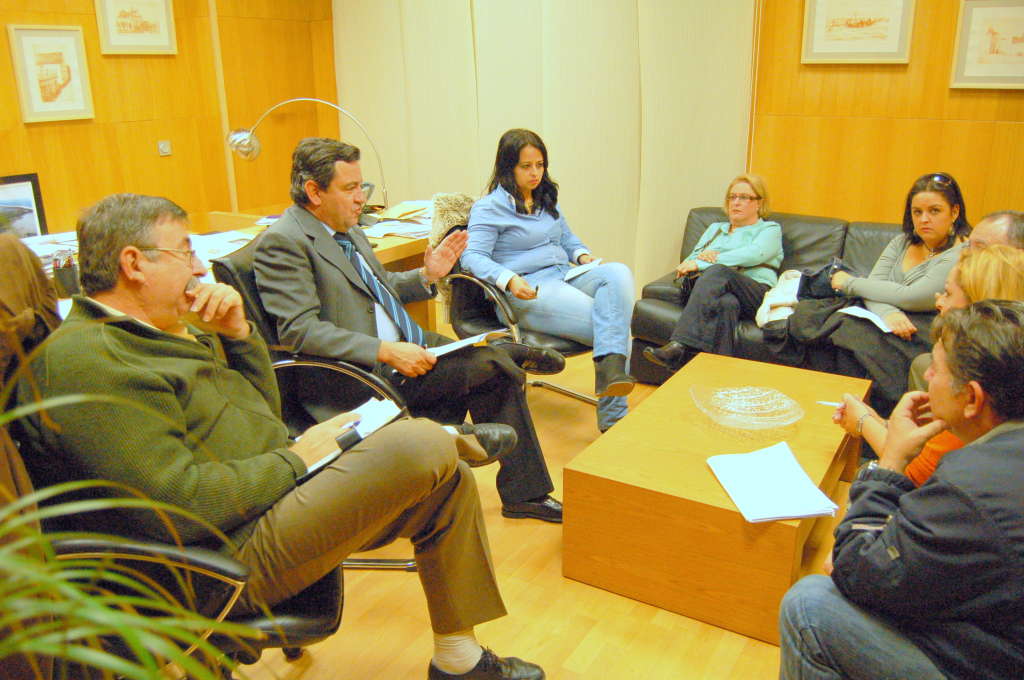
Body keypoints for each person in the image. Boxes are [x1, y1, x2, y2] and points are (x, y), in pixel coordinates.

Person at [15, 193, 545, 680]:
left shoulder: (164, 331)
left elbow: (262, 416)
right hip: (217, 560)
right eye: (185, 252)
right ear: (134, 264)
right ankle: (450, 436)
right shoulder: (89, 361)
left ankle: (459, 661)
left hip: (266, 499)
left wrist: (240, 337)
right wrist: (298, 460)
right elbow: (178, 507)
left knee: (447, 481)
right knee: (417, 444)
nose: (200, 268)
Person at [254, 138, 562, 523]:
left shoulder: (347, 229)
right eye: (350, 188)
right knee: (493, 365)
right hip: (364, 375)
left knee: (496, 370)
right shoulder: (284, 243)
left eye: (362, 186)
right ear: (314, 192)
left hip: (408, 347)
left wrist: (427, 275)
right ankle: (470, 435)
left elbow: (380, 286)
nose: (361, 198)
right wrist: (384, 350)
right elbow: (300, 331)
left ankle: (521, 490)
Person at [779, 300, 1024, 680]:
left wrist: (890, 458)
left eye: (937, 369)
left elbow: (854, 569)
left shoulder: (971, 485)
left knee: (810, 605)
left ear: (973, 398)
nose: (927, 376)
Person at [461, 129, 636, 432]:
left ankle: (610, 374)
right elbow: (472, 257)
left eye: (540, 165)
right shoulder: (489, 207)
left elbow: (567, 239)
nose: (535, 173)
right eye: (526, 166)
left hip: (564, 274)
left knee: (618, 272)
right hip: (527, 288)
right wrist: (509, 279)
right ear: (508, 168)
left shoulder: (545, 198)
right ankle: (614, 419)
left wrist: (582, 255)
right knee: (614, 327)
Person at [833, 244, 1024, 485]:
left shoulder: (976, 397)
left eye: (948, 293)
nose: (938, 301)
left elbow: (912, 473)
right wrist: (881, 422)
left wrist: (863, 422)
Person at [825, 172, 970, 415]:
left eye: (934, 211)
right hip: (888, 321)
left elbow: (912, 296)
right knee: (843, 327)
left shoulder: (961, 252)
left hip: (925, 327)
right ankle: (848, 413)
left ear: (954, 212)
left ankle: (876, 417)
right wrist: (887, 312)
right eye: (917, 212)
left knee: (850, 331)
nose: (924, 219)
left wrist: (849, 282)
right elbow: (874, 285)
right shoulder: (901, 242)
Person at [643, 173, 782, 371]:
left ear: (759, 203)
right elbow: (691, 260)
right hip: (717, 291)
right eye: (732, 197)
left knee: (718, 272)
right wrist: (701, 261)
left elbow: (754, 254)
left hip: (753, 292)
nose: (736, 202)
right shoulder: (715, 229)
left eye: (744, 197)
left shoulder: (769, 230)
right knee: (727, 303)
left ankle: (679, 345)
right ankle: (719, 372)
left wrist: (714, 258)